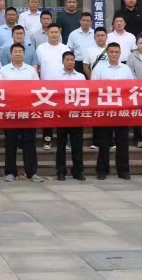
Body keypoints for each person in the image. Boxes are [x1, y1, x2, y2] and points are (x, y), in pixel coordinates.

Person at [0, 43, 44, 182]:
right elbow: (1, 90)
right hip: (10, 112)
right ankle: (10, 172)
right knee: (10, 143)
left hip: (28, 111)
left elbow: (37, 88)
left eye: (20, 51)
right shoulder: (4, 70)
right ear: (10, 54)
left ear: (24, 54)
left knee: (30, 143)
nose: (17, 54)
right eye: (15, 51)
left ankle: (31, 172)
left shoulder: (30, 70)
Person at [93, 43, 133, 180]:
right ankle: (102, 170)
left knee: (123, 142)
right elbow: (93, 89)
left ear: (120, 53)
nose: (114, 54)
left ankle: (123, 170)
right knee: (104, 142)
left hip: (121, 110)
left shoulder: (126, 69)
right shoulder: (99, 69)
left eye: (116, 52)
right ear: (107, 53)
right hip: (105, 110)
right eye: (111, 52)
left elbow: (131, 88)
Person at [37, 23, 70, 151]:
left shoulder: (65, 48)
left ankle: (64, 141)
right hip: (46, 86)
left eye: (56, 32)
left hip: (63, 86)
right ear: (47, 33)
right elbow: (37, 66)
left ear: (59, 33)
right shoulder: (41, 48)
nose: (54, 34)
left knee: (63, 114)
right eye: (52, 32)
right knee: (48, 114)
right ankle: (47, 139)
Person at [53, 51, 86, 181]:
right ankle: (61, 171)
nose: (70, 62)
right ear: (63, 61)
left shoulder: (81, 77)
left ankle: (78, 171)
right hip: (62, 114)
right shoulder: (56, 77)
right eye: (67, 60)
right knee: (61, 144)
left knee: (77, 144)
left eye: (72, 60)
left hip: (77, 114)